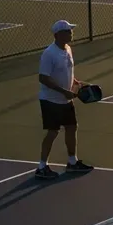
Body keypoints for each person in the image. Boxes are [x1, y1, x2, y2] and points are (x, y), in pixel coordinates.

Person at [36, 20, 93, 180]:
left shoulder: (67, 49)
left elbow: (67, 70)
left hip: (65, 100)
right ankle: (42, 167)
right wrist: (63, 91)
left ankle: (72, 162)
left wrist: (74, 81)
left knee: (72, 127)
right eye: (67, 31)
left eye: (70, 30)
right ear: (58, 35)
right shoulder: (49, 54)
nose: (71, 33)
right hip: (51, 100)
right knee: (53, 132)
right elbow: (43, 78)